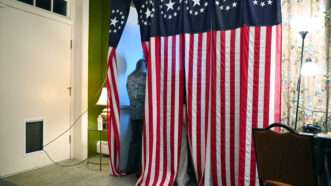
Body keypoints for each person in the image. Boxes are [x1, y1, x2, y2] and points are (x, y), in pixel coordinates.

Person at [126, 59, 146, 176]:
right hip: (143, 113)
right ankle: (140, 170)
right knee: (143, 142)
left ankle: (130, 167)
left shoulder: (130, 77)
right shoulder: (145, 77)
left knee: (134, 141)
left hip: (133, 114)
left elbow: (131, 94)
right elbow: (142, 96)